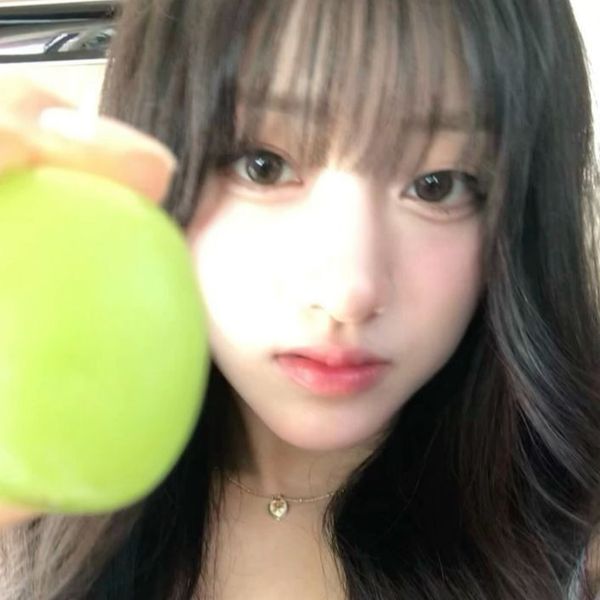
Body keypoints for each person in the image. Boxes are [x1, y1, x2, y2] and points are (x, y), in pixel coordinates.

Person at [0, 0, 599, 598]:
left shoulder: (577, 541)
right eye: (263, 166)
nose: (348, 292)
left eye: (437, 186)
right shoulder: (33, 494)